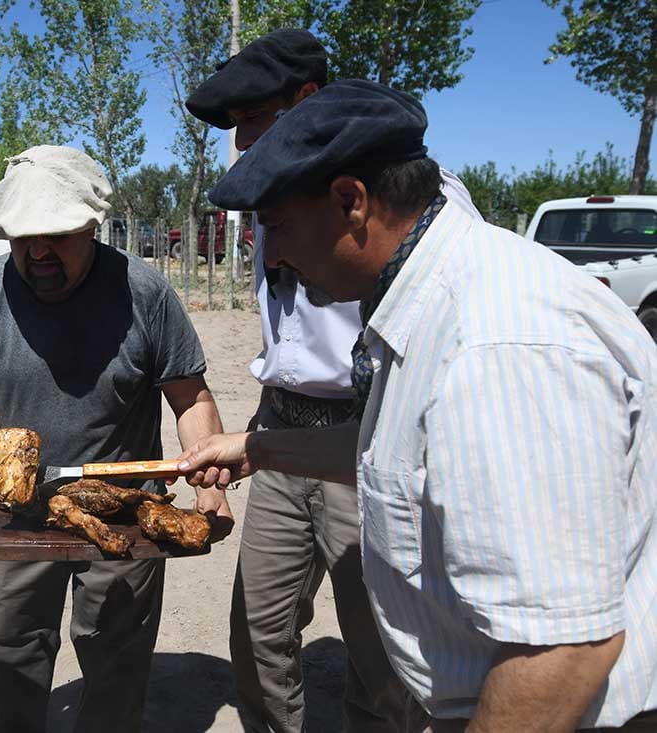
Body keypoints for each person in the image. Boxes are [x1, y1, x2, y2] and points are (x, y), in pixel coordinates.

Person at [179, 79, 657, 731]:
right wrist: (256, 447)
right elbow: (404, 453)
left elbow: (562, 649)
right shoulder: (427, 301)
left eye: (279, 226)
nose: (276, 256)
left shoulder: (494, 343)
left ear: (351, 201)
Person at [0, 145, 234, 733]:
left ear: (91, 226)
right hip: (20, 514)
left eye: (56, 235)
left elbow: (190, 398)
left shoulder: (144, 295)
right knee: (13, 647)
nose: (38, 250)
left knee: (114, 658)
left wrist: (208, 478)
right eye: (23, 237)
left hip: (123, 512)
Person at [184, 28, 480, 733]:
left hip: (373, 434)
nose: (244, 142)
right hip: (281, 431)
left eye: (254, 119)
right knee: (257, 632)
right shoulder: (279, 197)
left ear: (305, 101)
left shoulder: (416, 202)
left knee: (383, 656)